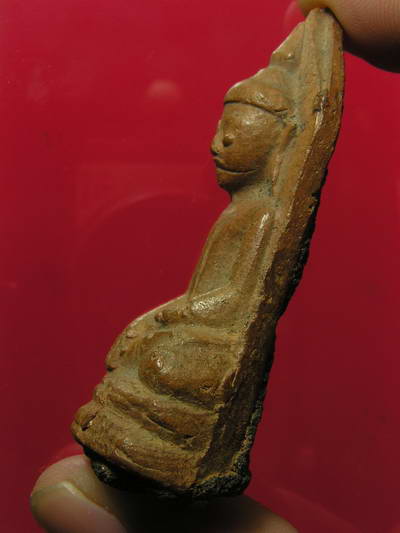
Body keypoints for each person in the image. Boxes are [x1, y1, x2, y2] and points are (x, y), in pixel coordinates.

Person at [31, 1, 400, 531]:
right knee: (140, 351)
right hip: (201, 327)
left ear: (275, 143)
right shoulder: (239, 212)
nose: (216, 146)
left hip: (218, 338)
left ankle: (170, 447)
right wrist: (163, 318)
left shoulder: (260, 215)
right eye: (218, 132)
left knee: (164, 363)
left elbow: (238, 298)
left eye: (233, 136)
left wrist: (171, 316)